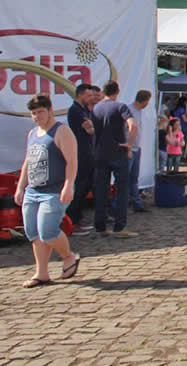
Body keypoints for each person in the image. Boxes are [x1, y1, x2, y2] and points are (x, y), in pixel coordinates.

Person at [14, 94, 81, 287]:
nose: (37, 116)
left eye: (40, 112)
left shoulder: (62, 131)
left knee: (48, 231)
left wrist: (69, 185)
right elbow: (28, 161)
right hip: (33, 190)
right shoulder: (33, 133)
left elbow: (72, 161)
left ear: (50, 110)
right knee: (33, 233)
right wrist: (20, 186)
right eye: (33, 113)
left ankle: (68, 256)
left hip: (54, 190)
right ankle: (41, 273)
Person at [91, 80, 138, 237]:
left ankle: (100, 226)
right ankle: (119, 227)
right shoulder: (120, 107)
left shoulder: (96, 108)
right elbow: (133, 125)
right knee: (122, 190)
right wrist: (129, 144)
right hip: (118, 151)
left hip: (100, 153)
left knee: (101, 190)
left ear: (103, 92)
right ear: (117, 91)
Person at [65, 83, 98, 233]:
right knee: (80, 186)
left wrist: (92, 125)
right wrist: (91, 126)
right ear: (80, 95)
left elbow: (93, 126)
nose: (91, 98)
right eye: (88, 95)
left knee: (88, 185)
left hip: (90, 152)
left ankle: (77, 215)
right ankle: (72, 218)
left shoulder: (86, 110)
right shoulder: (75, 110)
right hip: (81, 153)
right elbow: (89, 128)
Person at [127, 90, 152, 213]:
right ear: (145, 101)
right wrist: (129, 146)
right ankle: (119, 204)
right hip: (130, 148)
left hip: (136, 148)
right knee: (125, 178)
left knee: (133, 178)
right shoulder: (129, 110)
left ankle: (137, 203)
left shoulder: (138, 111)